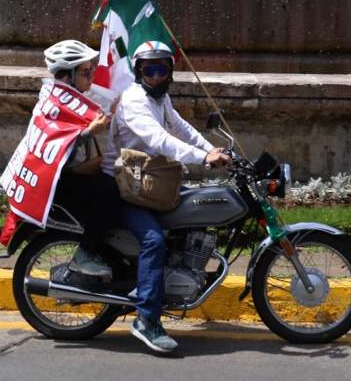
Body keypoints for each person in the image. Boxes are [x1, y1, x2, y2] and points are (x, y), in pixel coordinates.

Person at [102, 40, 231, 353]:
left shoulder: (160, 98)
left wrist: (210, 149)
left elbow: (181, 127)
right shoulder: (134, 101)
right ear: (140, 71)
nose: (157, 75)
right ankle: (146, 318)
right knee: (153, 240)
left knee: (189, 214)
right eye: (150, 69)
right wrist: (202, 159)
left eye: (162, 68)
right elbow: (158, 139)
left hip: (146, 181)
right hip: (121, 186)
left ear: (170, 71)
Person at [43, 40, 120, 279]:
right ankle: (84, 255)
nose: (92, 78)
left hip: (70, 174)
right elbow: (55, 145)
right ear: (67, 77)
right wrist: (89, 133)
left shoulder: (72, 100)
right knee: (109, 192)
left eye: (92, 71)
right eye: (86, 73)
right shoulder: (54, 103)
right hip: (56, 183)